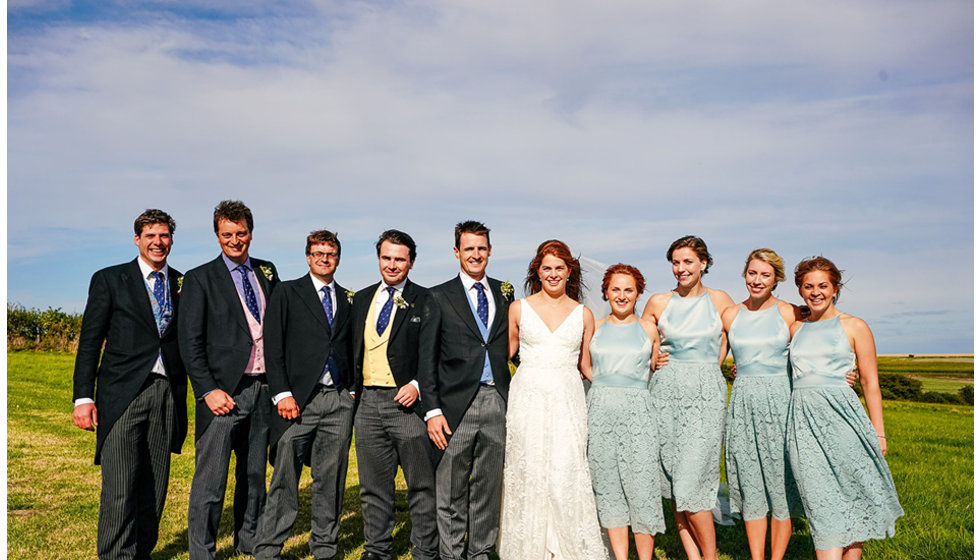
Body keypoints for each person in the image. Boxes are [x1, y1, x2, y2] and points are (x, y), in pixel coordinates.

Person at [72, 209, 188, 560]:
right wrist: (82, 397)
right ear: (137, 239)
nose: (158, 242)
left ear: (171, 240)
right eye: (150, 235)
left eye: (164, 235)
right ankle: (114, 555)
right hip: (123, 392)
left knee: (155, 485)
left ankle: (141, 552)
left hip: (167, 392)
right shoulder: (110, 279)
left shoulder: (184, 283)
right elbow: (90, 341)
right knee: (120, 486)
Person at [179, 200, 279, 559]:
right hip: (223, 393)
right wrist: (207, 390)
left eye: (241, 233)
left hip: (263, 388)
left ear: (250, 232)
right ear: (217, 236)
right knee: (211, 481)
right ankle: (202, 552)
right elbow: (189, 342)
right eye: (227, 235)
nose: (235, 241)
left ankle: (248, 543)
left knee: (254, 478)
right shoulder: (199, 278)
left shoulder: (267, 271)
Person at [787, 257, 903, 560]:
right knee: (821, 504)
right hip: (803, 426)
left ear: (835, 288)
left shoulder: (855, 326)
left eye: (823, 286)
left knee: (853, 499)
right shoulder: (795, 327)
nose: (816, 292)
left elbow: (870, 382)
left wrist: (879, 434)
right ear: (800, 290)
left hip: (846, 423)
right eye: (808, 286)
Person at [498, 240, 608, 560]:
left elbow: (586, 365)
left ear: (569, 271)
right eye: (547, 268)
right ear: (537, 271)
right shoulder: (519, 308)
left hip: (567, 399)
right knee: (528, 468)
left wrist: (616, 385)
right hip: (527, 397)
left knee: (566, 469)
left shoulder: (583, 314)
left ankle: (566, 548)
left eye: (560, 267)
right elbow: (503, 354)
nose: (553, 274)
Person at [252, 230, 356, 560]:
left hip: (337, 400)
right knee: (285, 477)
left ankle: (325, 547)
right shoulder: (286, 292)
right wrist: (282, 393)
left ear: (338, 258)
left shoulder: (346, 297)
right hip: (297, 401)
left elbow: (350, 346)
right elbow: (273, 345)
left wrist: (351, 391)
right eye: (318, 253)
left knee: (331, 477)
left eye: (331, 254)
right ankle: (268, 549)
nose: (325, 259)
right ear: (308, 257)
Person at [420, 221, 514, 560]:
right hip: (453, 405)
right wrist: (432, 411)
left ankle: (480, 551)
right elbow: (426, 359)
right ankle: (451, 554)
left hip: (497, 402)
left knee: (488, 488)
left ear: (490, 251)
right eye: (469, 248)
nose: (475, 254)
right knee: (450, 490)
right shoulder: (439, 296)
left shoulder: (505, 291)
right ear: (457, 252)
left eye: (481, 248)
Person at [640, 235, 734, 560]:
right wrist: (652, 358)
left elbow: (749, 328)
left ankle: (710, 557)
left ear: (703, 264)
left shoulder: (720, 299)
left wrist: (801, 315)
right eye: (676, 262)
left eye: (688, 262)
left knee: (693, 479)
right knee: (675, 478)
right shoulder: (658, 302)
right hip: (665, 394)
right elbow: (631, 338)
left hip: (706, 394)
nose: (681, 269)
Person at [351, 229, 439, 560]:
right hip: (368, 404)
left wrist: (416, 385)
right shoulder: (360, 299)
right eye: (386, 257)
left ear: (411, 263)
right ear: (378, 259)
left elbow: (433, 353)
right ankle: (377, 550)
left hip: (408, 406)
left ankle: (425, 551)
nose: (392, 265)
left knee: (420, 484)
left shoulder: (426, 299)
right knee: (373, 486)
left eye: (399, 259)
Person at [719, 249, 804, 560]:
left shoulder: (790, 312)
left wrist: (843, 372)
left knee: (780, 487)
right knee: (751, 485)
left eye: (765, 275)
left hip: (781, 404)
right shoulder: (730, 314)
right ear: (745, 274)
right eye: (752, 273)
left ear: (776, 279)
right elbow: (709, 355)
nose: (757, 280)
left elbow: (813, 350)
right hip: (742, 405)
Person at [585, 264, 664, 560]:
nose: (621, 295)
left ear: (638, 292)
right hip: (601, 411)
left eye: (628, 289)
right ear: (605, 292)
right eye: (615, 289)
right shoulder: (594, 325)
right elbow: (584, 364)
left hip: (638, 413)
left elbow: (657, 366)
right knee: (608, 487)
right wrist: (606, 385)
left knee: (642, 486)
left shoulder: (648, 328)